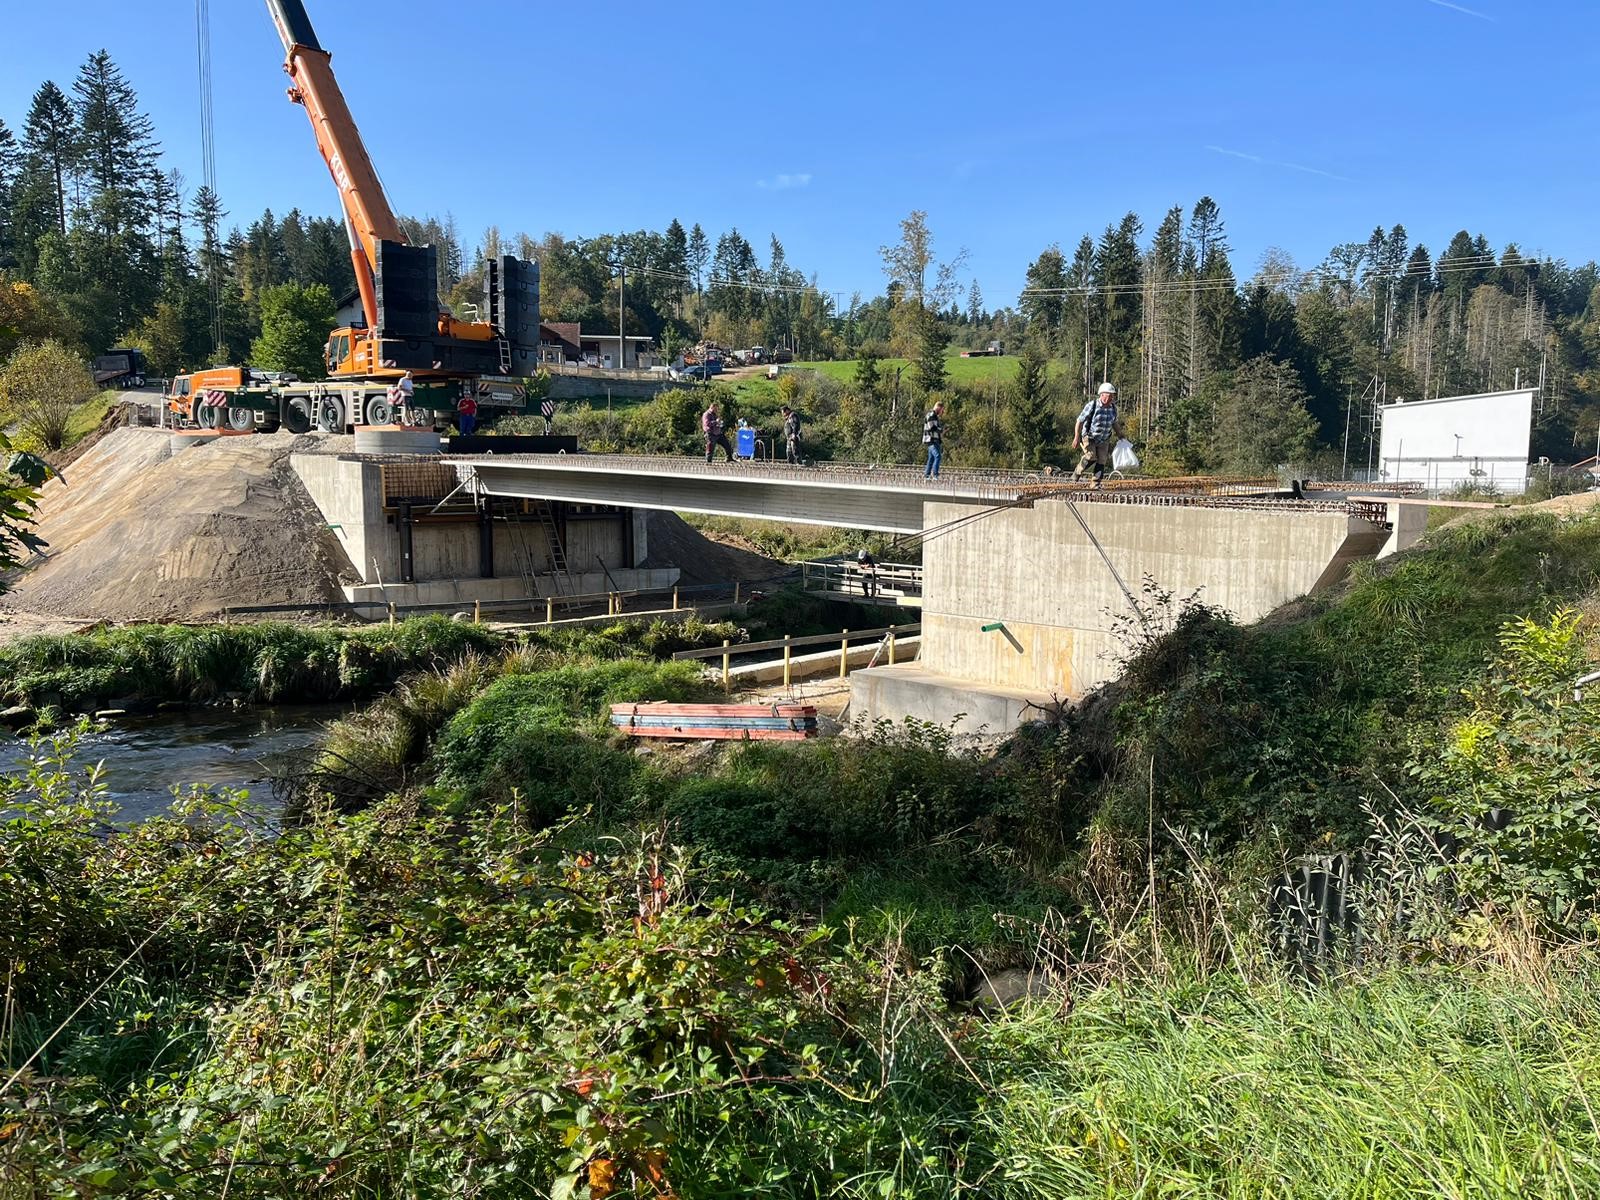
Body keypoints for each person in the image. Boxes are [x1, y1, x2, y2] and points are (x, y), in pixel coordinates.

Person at [1073, 382, 1126, 488]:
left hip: (1104, 438)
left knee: (1102, 460)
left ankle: (1095, 483)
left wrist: (1120, 434)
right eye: (1109, 395)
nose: (1111, 398)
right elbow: (1080, 421)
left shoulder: (1113, 409)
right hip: (1090, 436)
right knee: (1091, 456)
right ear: (1102, 395)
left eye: (1112, 396)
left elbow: (1114, 423)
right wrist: (1076, 437)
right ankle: (1077, 472)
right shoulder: (1092, 406)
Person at [922, 401, 945, 478]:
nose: (942, 412)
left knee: (931, 458)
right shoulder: (931, 415)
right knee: (938, 456)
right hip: (931, 439)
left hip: (935, 439)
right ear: (938, 407)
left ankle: (927, 475)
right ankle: (935, 474)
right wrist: (941, 430)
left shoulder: (934, 416)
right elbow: (932, 428)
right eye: (942, 410)